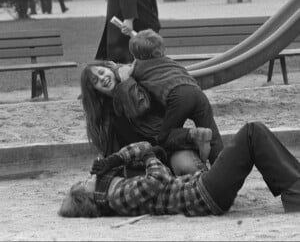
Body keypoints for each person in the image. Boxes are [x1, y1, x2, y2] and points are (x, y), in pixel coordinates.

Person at [58, 122, 300, 218]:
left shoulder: (118, 188)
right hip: (204, 194)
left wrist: (116, 158)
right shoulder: (117, 197)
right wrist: (151, 155)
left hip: (203, 189)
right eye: (83, 183)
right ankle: (295, 192)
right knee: (251, 132)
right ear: (88, 196)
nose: (88, 178)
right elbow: (158, 178)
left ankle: (295, 186)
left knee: (252, 134)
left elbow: (143, 147)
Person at [80, 61, 223, 176]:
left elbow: (140, 107)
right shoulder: (108, 113)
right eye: (95, 81)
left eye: (101, 72)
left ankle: (195, 145)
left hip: (169, 147)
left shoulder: (137, 82)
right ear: (95, 90)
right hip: (144, 159)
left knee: (189, 169)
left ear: (110, 68)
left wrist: (126, 81)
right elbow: (112, 148)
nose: (102, 78)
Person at [126, 28, 222, 163]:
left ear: (137, 56)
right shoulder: (170, 61)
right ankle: (221, 167)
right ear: (161, 50)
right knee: (213, 136)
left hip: (178, 96)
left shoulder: (139, 68)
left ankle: (194, 135)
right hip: (197, 92)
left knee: (164, 137)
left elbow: (127, 77)